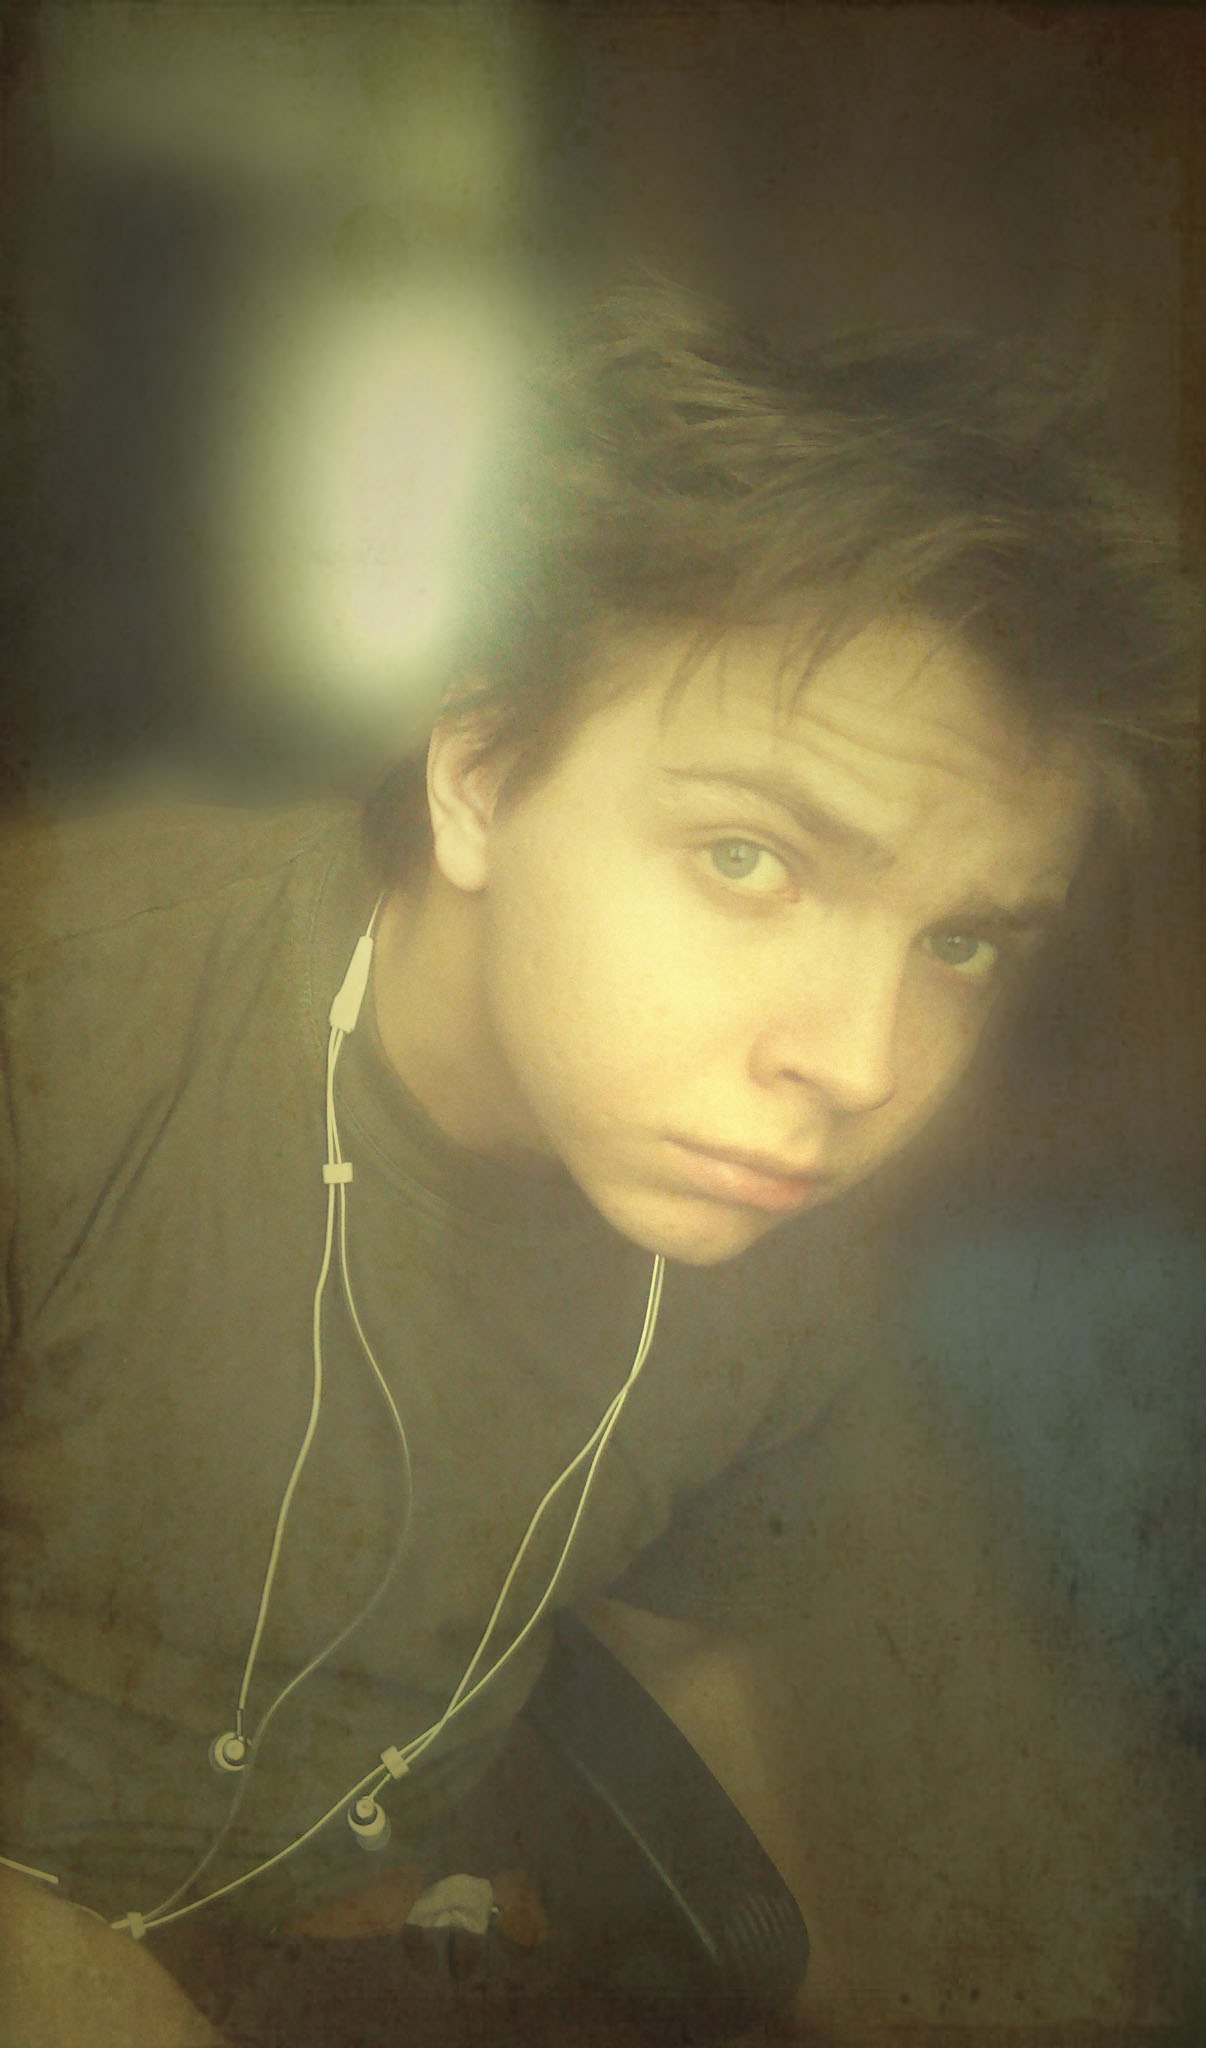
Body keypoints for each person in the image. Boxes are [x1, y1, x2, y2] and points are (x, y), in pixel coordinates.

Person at [0, 282, 1197, 2045]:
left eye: (957, 944)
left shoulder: (788, 1224)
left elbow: (698, 1635)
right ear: (482, 775)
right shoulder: (67, 1028)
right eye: (747, 858)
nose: (860, 1067)